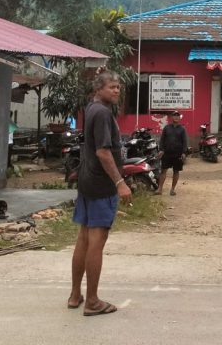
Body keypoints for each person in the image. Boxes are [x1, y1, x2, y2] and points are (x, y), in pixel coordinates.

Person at [68, 73, 132, 316]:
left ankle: (76, 295)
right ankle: (92, 301)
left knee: (84, 237)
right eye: (112, 87)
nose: (116, 91)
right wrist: (119, 182)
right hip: (101, 184)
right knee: (96, 240)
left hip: (87, 180)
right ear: (99, 88)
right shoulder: (103, 113)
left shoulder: (92, 108)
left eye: (118, 87)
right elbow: (103, 152)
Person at [156, 111, 188, 196]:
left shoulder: (182, 129)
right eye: (174, 116)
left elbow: (185, 141)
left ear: (179, 118)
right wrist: (161, 150)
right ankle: (159, 189)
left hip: (178, 153)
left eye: (178, 116)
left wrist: (184, 152)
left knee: (176, 171)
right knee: (163, 170)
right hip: (167, 153)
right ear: (172, 117)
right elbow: (162, 140)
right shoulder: (167, 128)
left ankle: (172, 189)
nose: (176, 117)